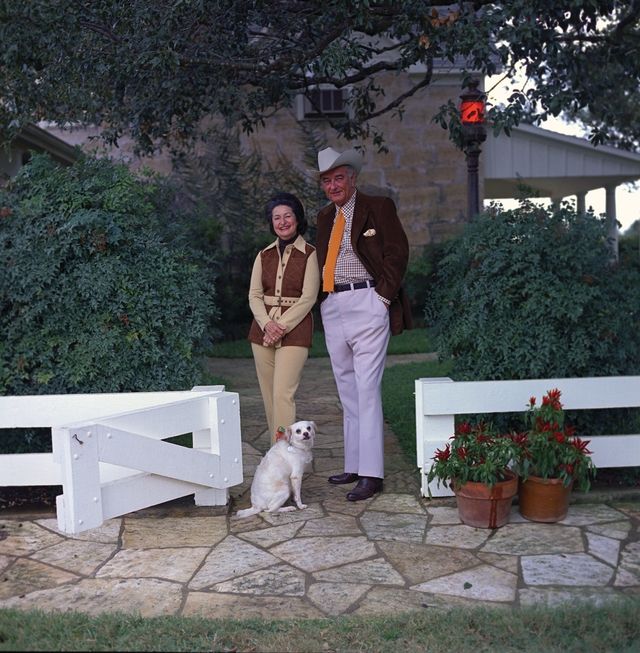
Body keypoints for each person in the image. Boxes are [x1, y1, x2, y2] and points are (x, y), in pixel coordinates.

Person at [312, 147, 412, 501]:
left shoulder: (378, 207)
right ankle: (354, 464)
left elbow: (397, 252)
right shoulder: (325, 217)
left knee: (367, 388)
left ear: (352, 178)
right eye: (327, 180)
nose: (334, 185)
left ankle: (372, 474)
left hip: (368, 300)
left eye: (339, 177)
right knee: (347, 389)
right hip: (333, 303)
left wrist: (382, 298)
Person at [248, 192, 320, 446]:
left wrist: (281, 327)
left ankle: (288, 452)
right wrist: (267, 324)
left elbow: (309, 297)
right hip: (262, 332)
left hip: (295, 332)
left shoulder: (310, 254)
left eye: (287, 216)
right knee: (269, 397)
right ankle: (276, 452)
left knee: (282, 395)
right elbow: (254, 295)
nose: (282, 222)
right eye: (276, 218)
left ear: (297, 219)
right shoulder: (263, 255)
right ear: (272, 223)